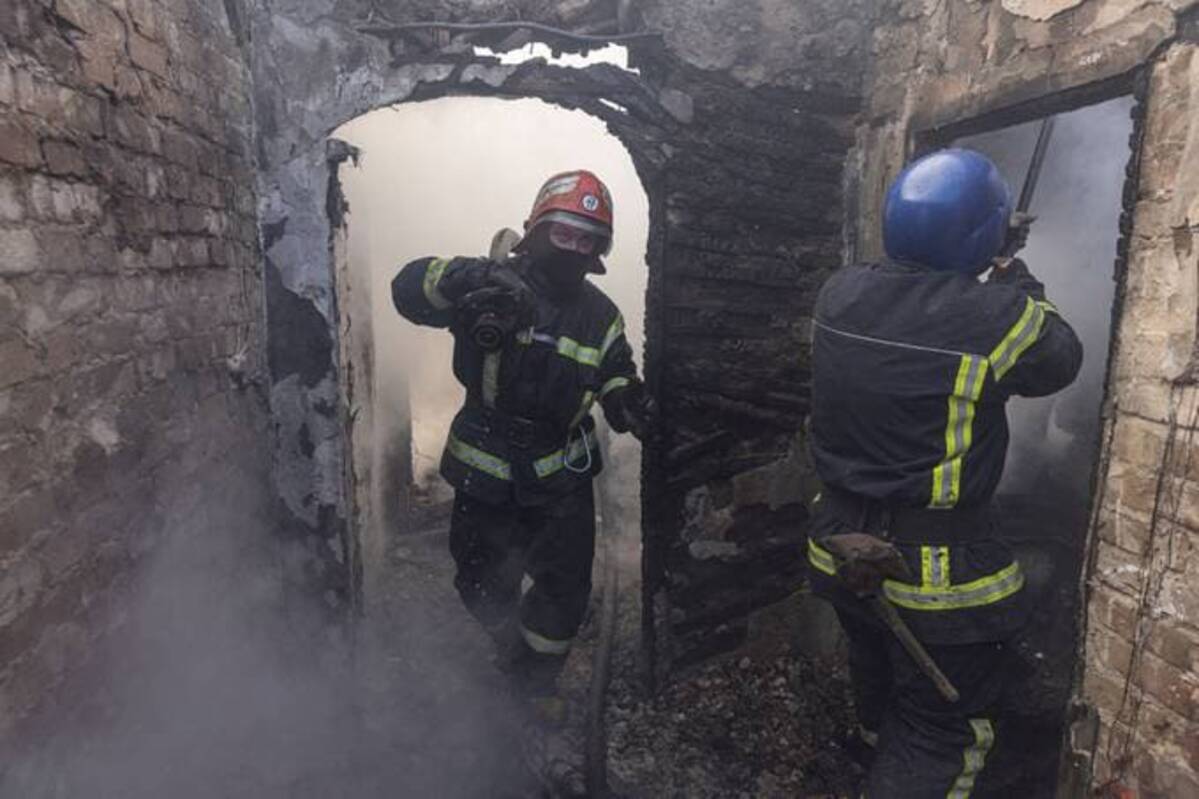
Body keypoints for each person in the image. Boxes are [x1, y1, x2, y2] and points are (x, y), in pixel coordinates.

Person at [806, 148, 1083, 796]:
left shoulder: (838, 292)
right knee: (945, 730)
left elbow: (919, 308)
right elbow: (1058, 356)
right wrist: (1010, 268)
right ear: (983, 237)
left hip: (839, 550)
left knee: (878, 667)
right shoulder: (997, 316)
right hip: (933, 575)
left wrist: (979, 257)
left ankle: (874, 756)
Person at [392, 169, 656, 714]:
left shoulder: (600, 315)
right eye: (565, 234)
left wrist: (626, 398)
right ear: (536, 231)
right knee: (479, 579)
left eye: (588, 240)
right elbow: (407, 290)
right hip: (484, 467)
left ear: (599, 252)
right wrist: (469, 277)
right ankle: (506, 644)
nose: (575, 248)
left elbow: (614, 370)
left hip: (561, 477)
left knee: (564, 591)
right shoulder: (488, 289)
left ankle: (536, 682)